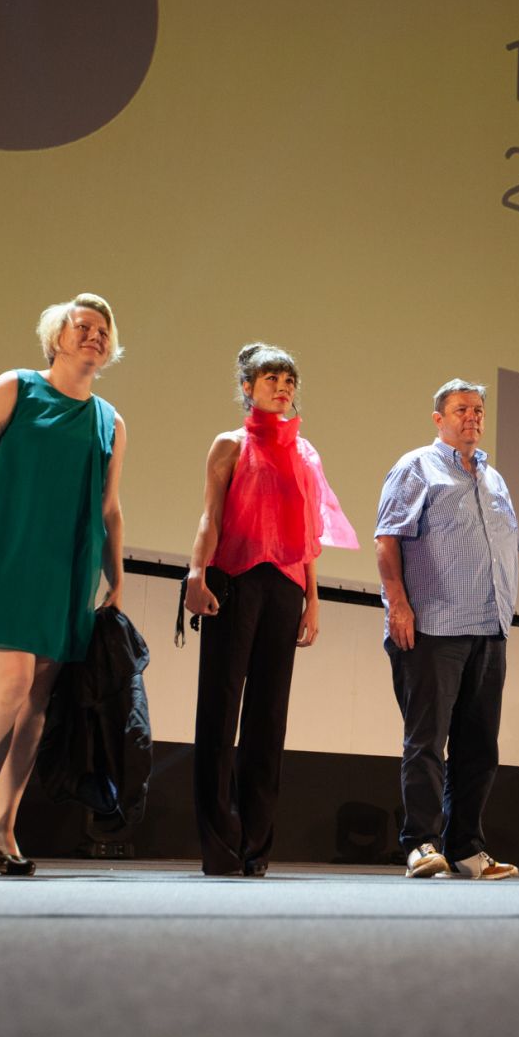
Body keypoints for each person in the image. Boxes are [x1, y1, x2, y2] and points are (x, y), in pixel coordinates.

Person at [0, 293, 127, 876]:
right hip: (7, 551)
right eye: (82, 326)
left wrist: (117, 576)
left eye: (103, 330)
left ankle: (4, 823)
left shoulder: (110, 421)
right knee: (13, 681)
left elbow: (109, 507)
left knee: (38, 698)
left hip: (68, 567)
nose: (93, 335)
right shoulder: (16, 387)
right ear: (55, 337)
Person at [183, 344, 357, 877]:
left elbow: (308, 536)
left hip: (285, 588)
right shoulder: (230, 444)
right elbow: (211, 517)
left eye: (288, 380)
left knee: (268, 718)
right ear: (247, 387)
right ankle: (220, 844)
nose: (282, 388)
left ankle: (255, 847)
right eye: (270, 379)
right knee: (219, 712)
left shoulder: (306, 453)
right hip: (233, 580)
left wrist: (313, 600)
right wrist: (195, 574)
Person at [375, 379, 519, 880]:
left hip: (489, 628)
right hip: (433, 626)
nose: (472, 417)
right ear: (439, 419)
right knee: (426, 742)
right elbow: (387, 539)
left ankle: (466, 848)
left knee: (479, 746)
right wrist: (398, 605)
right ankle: (420, 843)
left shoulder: (494, 479)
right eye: (461, 409)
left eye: (478, 410)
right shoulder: (416, 467)